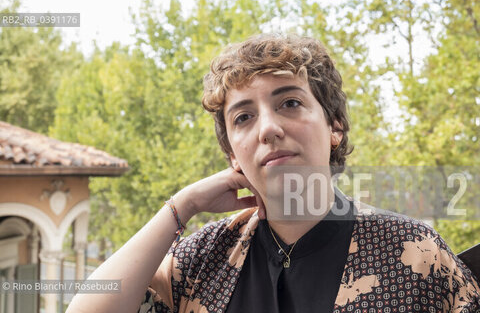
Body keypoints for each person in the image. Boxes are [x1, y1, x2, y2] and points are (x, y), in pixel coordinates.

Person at [66, 34, 480, 313]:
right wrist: (181, 206)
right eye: (243, 117)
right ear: (232, 153)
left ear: (334, 126)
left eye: (290, 103)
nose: (268, 128)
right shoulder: (201, 261)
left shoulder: (415, 254)